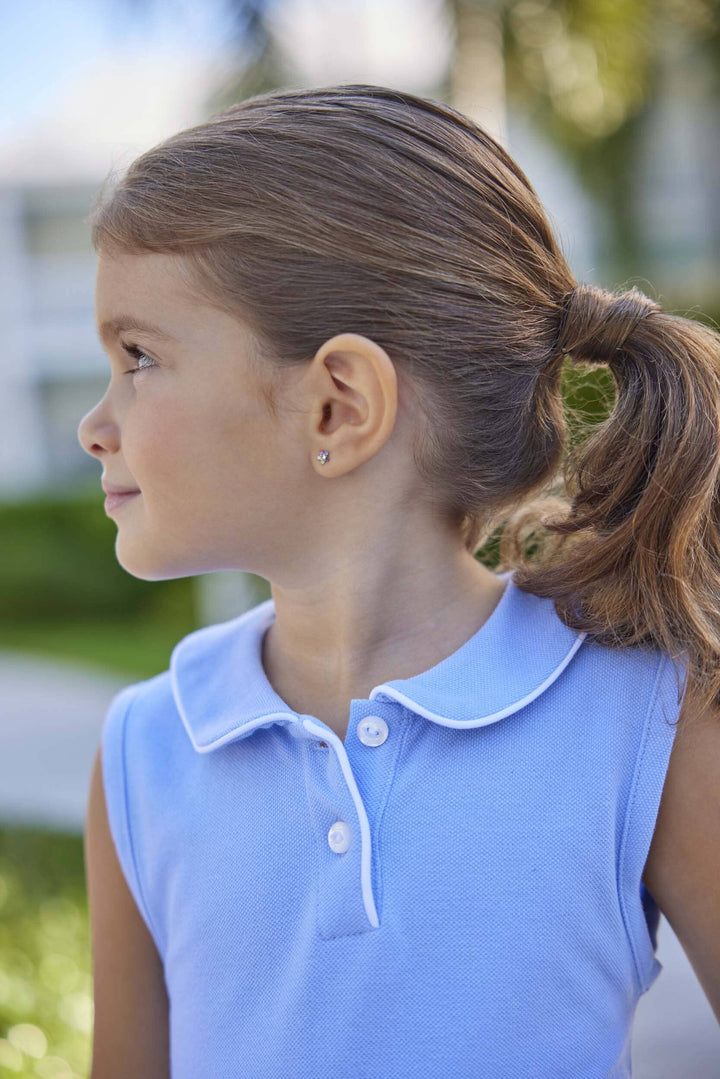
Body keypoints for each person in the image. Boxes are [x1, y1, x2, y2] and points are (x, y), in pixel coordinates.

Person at [77, 84, 720, 1079]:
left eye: (137, 357)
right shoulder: (143, 753)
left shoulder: (648, 717)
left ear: (337, 404)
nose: (96, 422)